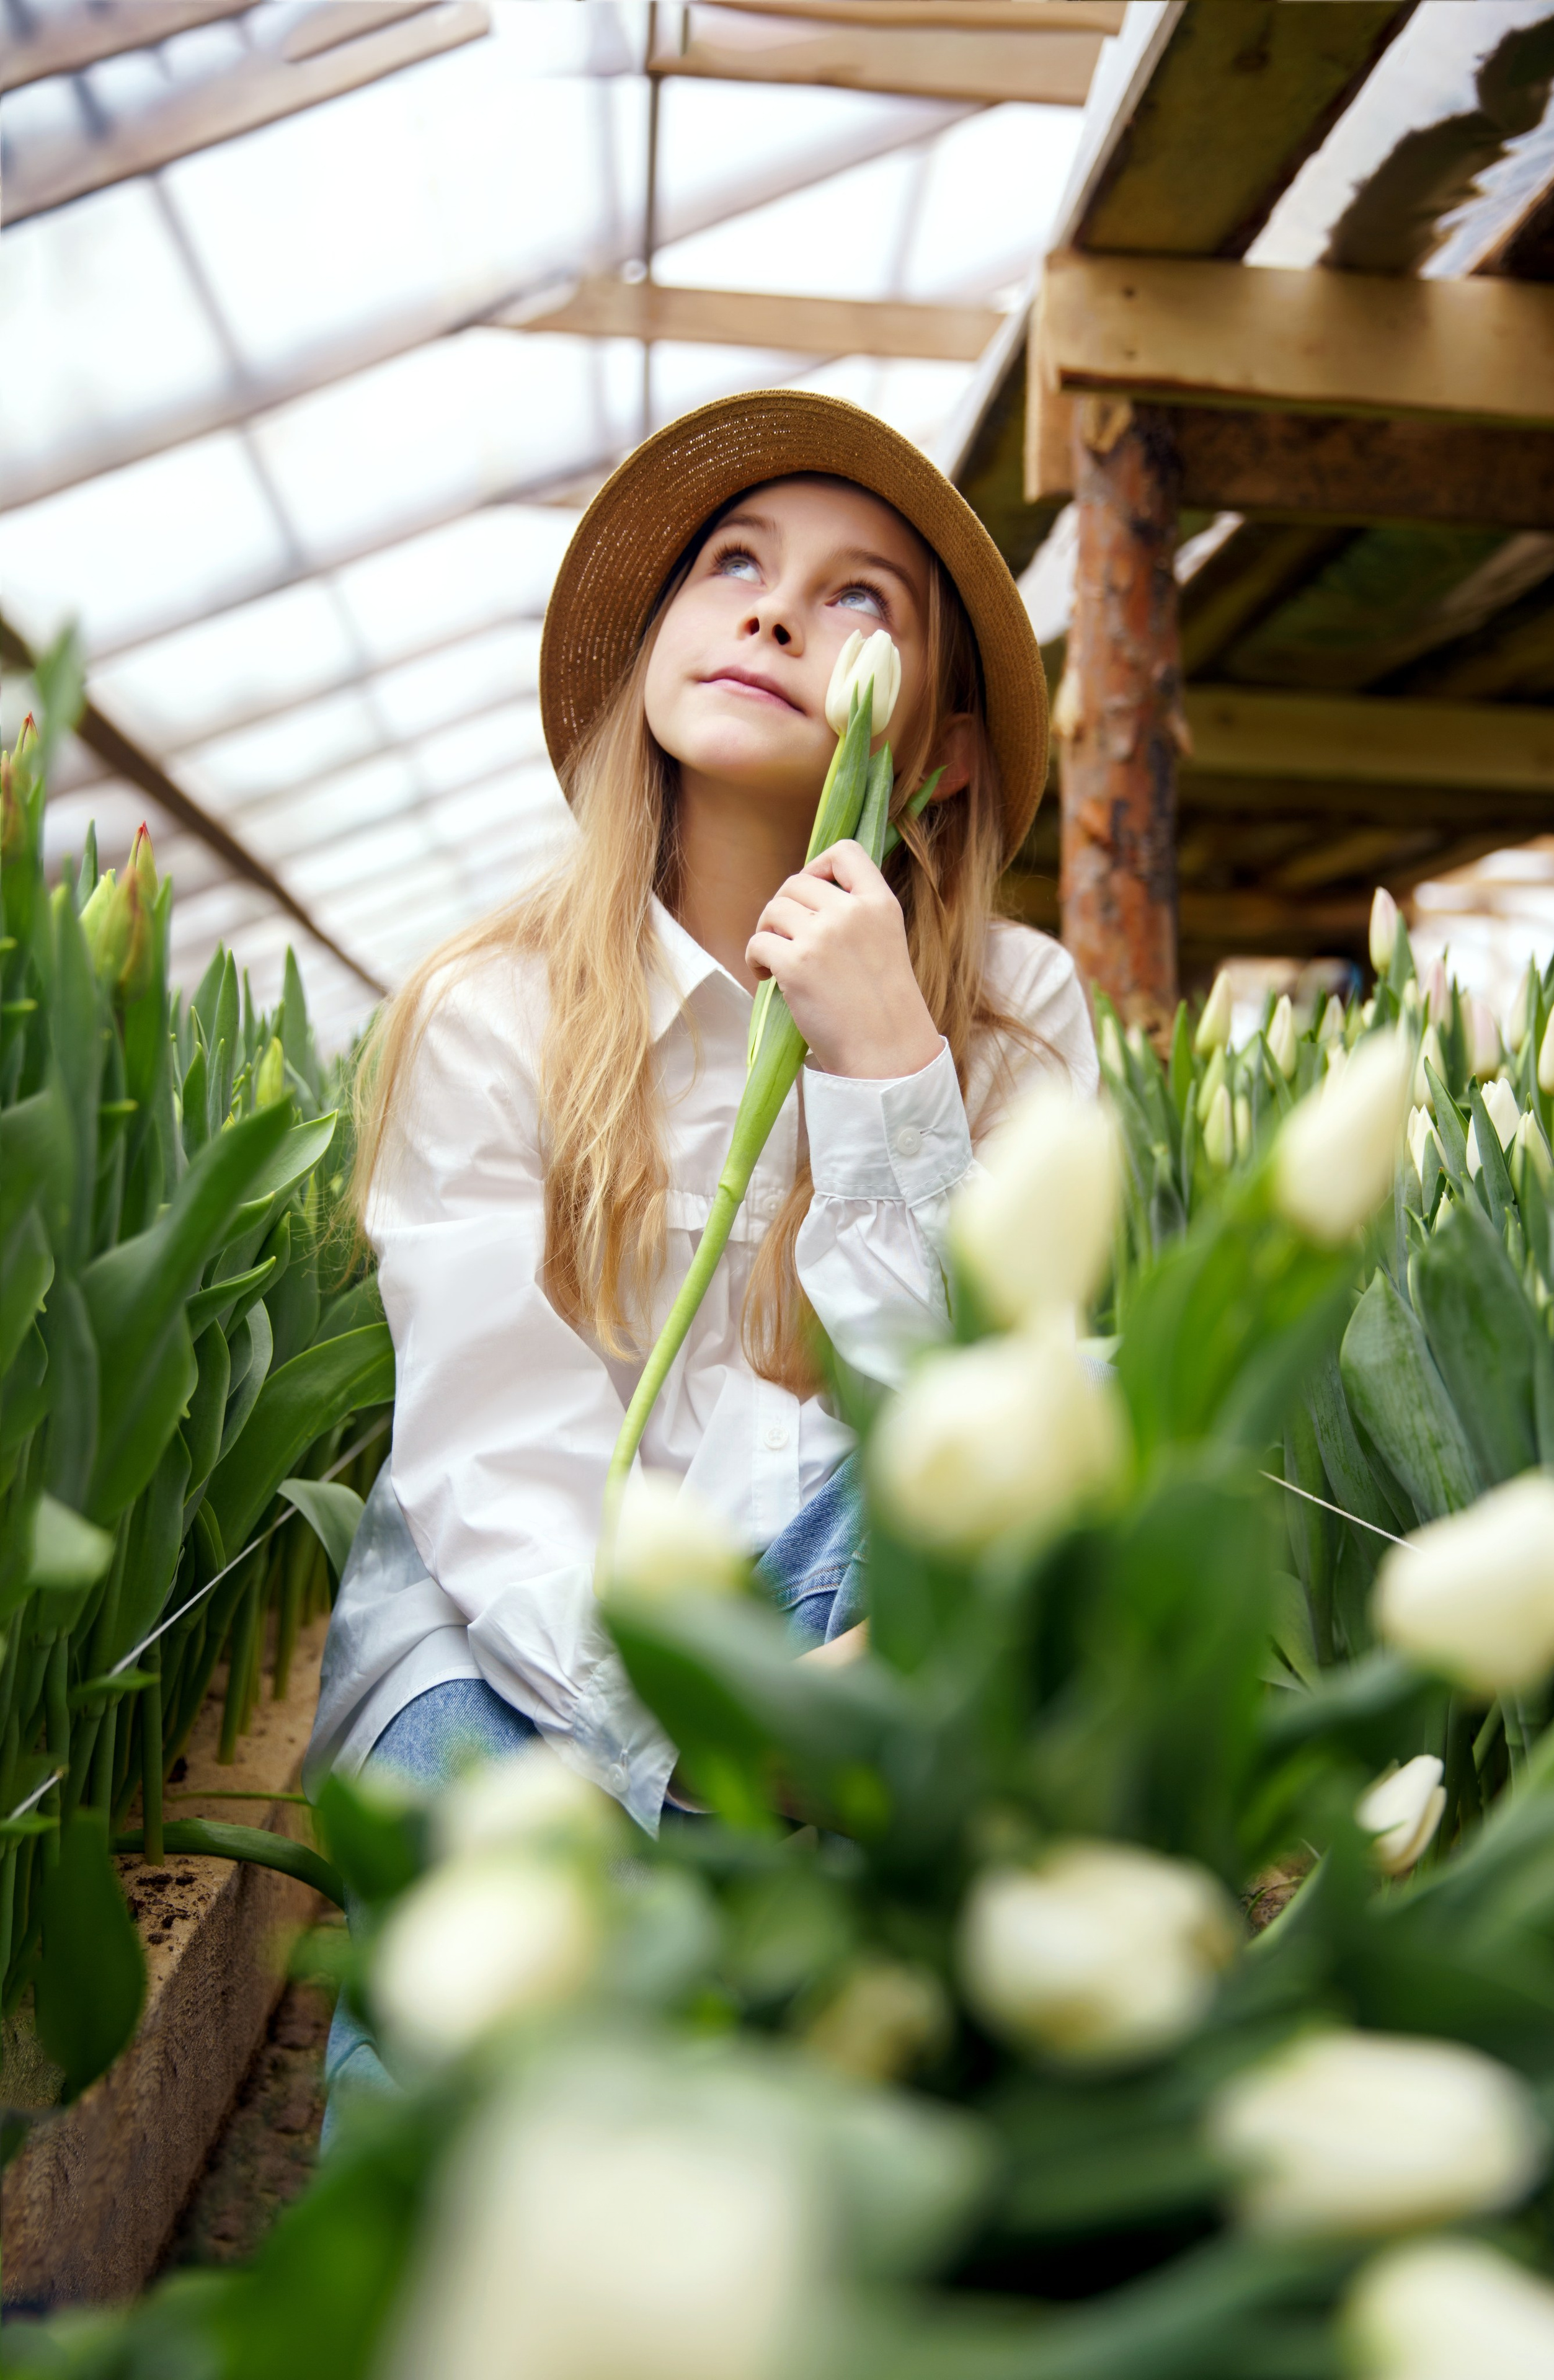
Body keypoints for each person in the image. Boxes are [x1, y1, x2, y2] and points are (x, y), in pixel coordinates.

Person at [306, 384, 1096, 1904]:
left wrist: (889, 1066)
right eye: (735, 559)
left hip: (865, 1619)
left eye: (857, 596)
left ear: (937, 752)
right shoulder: (498, 1009)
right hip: (517, 1638)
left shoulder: (1016, 1012)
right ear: (654, 641)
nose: (776, 612)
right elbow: (498, 1465)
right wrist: (715, 1731)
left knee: (1082, 1394)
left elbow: (977, 1419)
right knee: (491, 1934)